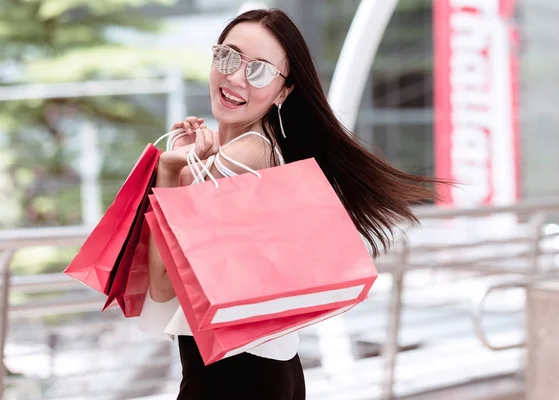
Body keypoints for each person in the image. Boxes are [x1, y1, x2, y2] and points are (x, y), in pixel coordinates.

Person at [138, 8, 439, 400]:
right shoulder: (258, 151)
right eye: (227, 57)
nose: (235, 77)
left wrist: (169, 170)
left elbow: (163, 287)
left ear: (284, 91)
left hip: (233, 379)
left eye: (259, 70)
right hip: (261, 372)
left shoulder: (244, 156)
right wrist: (188, 165)